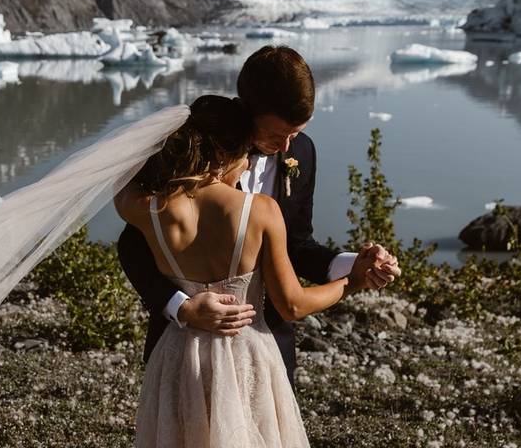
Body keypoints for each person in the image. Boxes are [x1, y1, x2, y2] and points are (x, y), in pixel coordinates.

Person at [118, 46, 401, 385]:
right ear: (245, 112)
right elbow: (133, 244)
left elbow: (297, 245)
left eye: (295, 133)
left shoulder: (302, 151)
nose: (286, 147)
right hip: (184, 342)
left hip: (268, 347)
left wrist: (356, 265)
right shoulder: (183, 153)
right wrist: (181, 307)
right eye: (276, 134)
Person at [116, 94, 375, 446]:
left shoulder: (149, 210)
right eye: (244, 156)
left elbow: (122, 179)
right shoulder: (261, 212)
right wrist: (352, 282)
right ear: (224, 154)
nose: (249, 168)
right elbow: (293, 305)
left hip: (179, 358)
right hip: (246, 359)